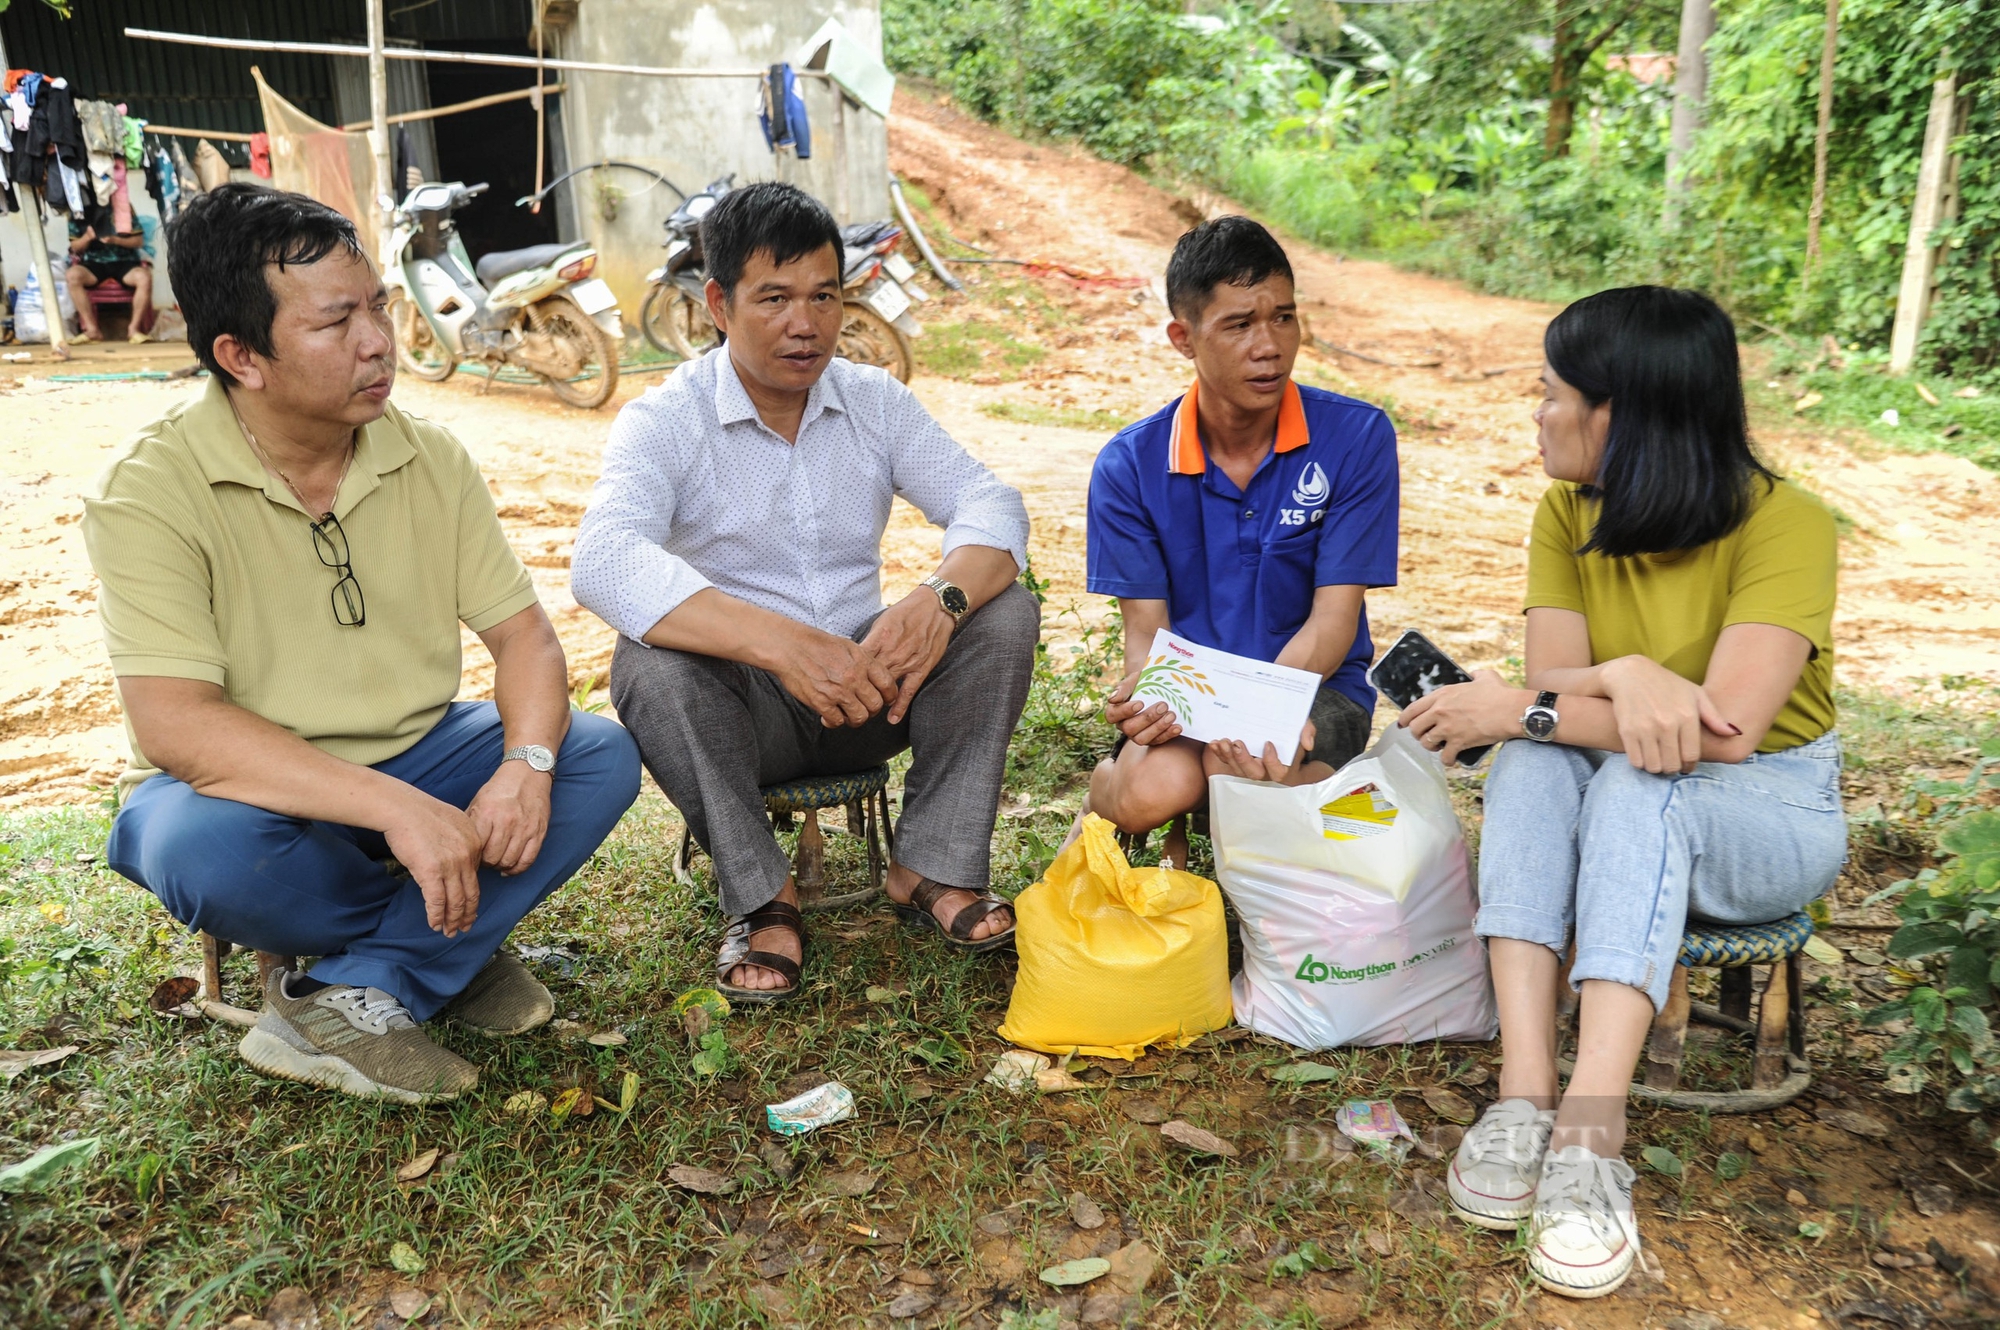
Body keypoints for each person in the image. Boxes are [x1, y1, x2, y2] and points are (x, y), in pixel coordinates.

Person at [87, 184, 641, 1104]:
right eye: (336, 320)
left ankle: (380, 978)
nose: (379, 340)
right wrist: (395, 810)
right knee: (187, 840)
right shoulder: (152, 490)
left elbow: (527, 642)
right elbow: (176, 727)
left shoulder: (427, 456)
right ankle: (448, 953)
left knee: (597, 754)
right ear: (240, 356)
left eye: (378, 305)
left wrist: (527, 764)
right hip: (274, 794)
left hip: (427, 753)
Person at [1401, 286, 1845, 1298]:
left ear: (1623, 414)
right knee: (1533, 756)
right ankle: (1523, 1096)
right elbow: (1552, 687)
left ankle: (1589, 1138)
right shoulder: (1565, 510)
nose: (1536, 412)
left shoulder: (1786, 523)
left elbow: (1721, 735)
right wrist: (1626, 675)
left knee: (1643, 785)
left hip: (1765, 807)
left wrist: (1556, 698)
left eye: (1552, 392)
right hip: (1620, 773)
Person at [572, 181, 1037, 1006]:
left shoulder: (873, 401)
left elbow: (991, 504)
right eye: (775, 298)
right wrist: (780, 645)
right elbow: (603, 560)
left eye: (825, 296)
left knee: (1004, 610)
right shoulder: (664, 421)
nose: (806, 324)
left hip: (877, 689)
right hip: (754, 712)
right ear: (718, 303)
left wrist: (940, 600)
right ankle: (762, 899)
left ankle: (930, 866)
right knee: (650, 664)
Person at [1079, 217, 1398, 864]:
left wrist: (1261, 715)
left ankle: (1298, 805)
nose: (1270, 346)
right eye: (1239, 324)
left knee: (1258, 786)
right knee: (1152, 792)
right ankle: (1103, 792)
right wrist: (1148, 694)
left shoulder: (1357, 439)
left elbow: (1333, 626)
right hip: (1193, 695)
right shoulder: (1130, 465)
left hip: (1315, 689)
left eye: (1283, 318)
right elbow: (1146, 638)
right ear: (1183, 337)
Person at [65, 203, 154, 343]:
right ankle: (92, 330)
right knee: (73, 275)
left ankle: (134, 330)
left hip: (125, 261)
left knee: (144, 277)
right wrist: (87, 237)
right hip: (94, 263)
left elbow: (138, 241)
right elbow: (74, 247)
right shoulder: (78, 210)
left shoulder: (123, 206)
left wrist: (115, 240)